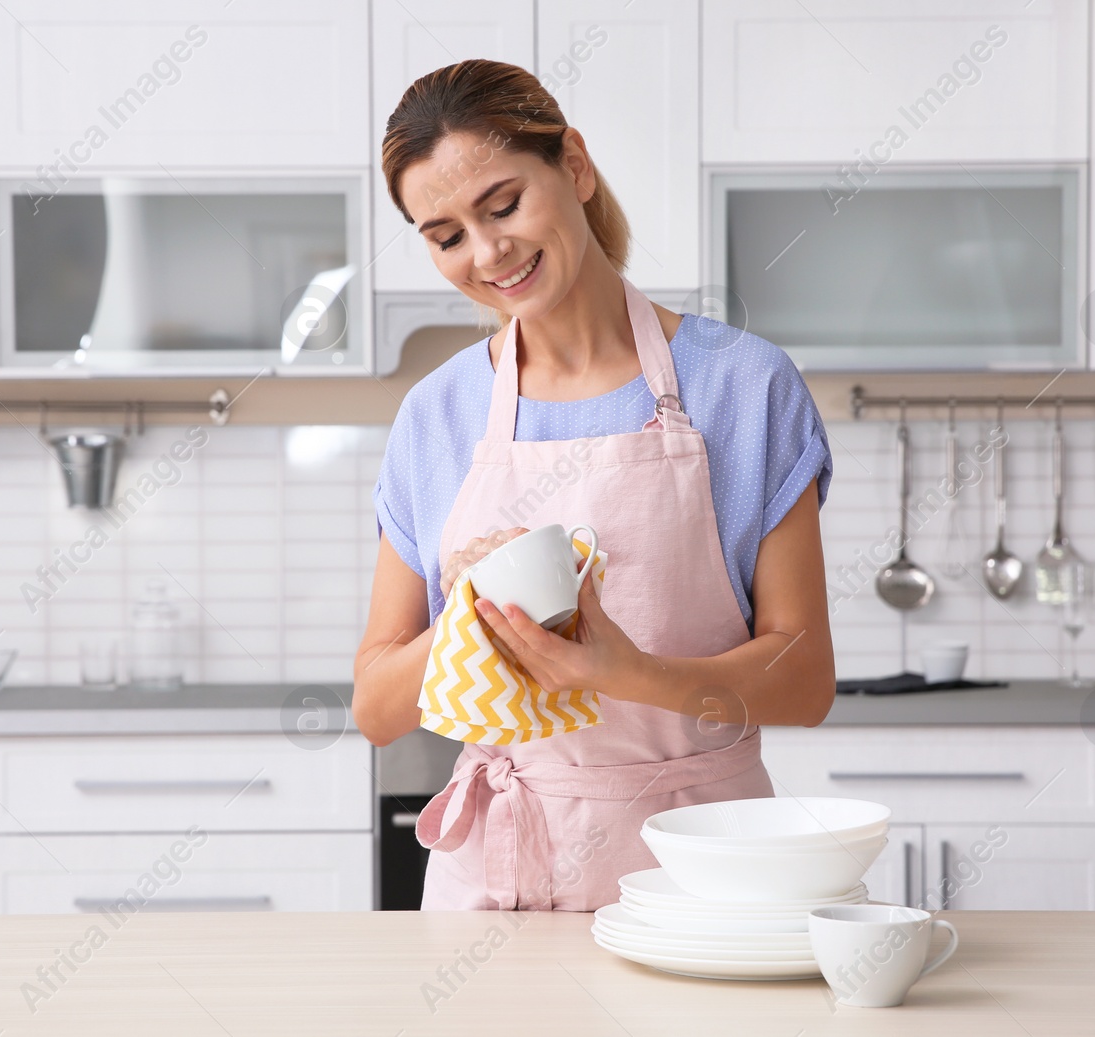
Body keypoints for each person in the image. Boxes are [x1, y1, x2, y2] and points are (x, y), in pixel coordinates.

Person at [354, 59, 836, 911]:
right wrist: (474, 615)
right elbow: (378, 709)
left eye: (504, 205)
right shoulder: (437, 415)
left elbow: (804, 683)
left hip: (698, 874)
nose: (488, 252)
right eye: (447, 235)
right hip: (493, 881)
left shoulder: (743, 386)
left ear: (573, 165)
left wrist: (623, 670)